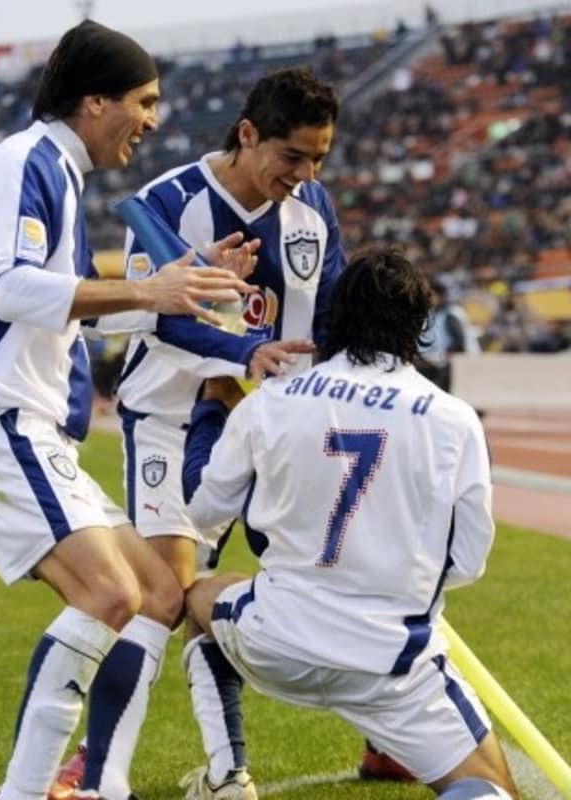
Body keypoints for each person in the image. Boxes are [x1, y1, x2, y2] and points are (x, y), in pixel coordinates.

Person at [0, 20, 254, 800]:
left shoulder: (59, 175)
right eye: (144, 101)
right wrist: (147, 288)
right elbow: (9, 287)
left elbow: (78, 309)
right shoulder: (24, 163)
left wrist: (185, 284)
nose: (153, 120)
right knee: (108, 595)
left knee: (160, 595)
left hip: (33, 431)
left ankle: (103, 783)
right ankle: (25, 792)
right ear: (94, 100)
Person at [52, 65, 345, 800]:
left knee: (333, 575)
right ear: (249, 135)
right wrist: (246, 351)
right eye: (293, 157)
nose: (306, 174)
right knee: (166, 594)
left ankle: (368, 741)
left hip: (273, 425)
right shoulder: (169, 203)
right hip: (171, 420)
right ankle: (114, 765)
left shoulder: (314, 210)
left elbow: (333, 315)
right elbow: (163, 317)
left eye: (319, 158)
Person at [180, 246, 519, 800]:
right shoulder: (454, 419)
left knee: (199, 597)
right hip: (392, 663)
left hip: (277, 639)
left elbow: (202, 509)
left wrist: (212, 408)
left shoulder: (274, 399)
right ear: (418, 326)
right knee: (492, 791)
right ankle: (391, 744)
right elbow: (468, 562)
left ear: (334, 315)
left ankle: (227, 776)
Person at [417, 278, 480, 393]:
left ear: (440, 296)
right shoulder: (431, 314)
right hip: (437, 360)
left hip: (457, 362)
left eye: (430, 294)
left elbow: (460, 344)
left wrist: (440, 358)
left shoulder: (451, 313)